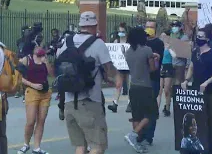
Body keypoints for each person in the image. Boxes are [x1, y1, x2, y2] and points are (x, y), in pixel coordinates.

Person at [56, 11, 114, 154]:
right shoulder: (98, 43)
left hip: (69, 101)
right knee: (97, 147)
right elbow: (110, 70)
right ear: (95, 25)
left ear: (80, 25)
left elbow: (57, 66)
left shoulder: (66, 42)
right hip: (89, 101)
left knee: (80, 146)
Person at [181, 28, 212, 154]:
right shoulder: (195, 52)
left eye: (201, 36)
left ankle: (211, 146)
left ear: (208, 39)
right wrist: (186, 80)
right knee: (196, 118)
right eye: (197, 36)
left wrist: (207, 82)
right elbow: (192, 67)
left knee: (209, 119)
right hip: (195, 90)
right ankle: (195, 144)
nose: (198, 38)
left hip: (208, 91)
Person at [124, 27, 159, 153]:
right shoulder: (147, 50)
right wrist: (156, 59)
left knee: (137, 116)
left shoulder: (127, 52)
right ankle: (133, 134)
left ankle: (137, 142)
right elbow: (152, 69)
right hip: (145, 86)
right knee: (152, 113)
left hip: (133, 87)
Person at [17, 46, 53, 154]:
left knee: (41, 120)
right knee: (31, 121)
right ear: (33, 49)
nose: (39, 49)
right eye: (37, 47)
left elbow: (51, 74)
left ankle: (37, 147)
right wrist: (32, 84)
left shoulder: (44, 59)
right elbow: (18, 76)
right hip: (32, 92)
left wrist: (46, 62)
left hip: (45, 92)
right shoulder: (27, 59)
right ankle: (26, 144)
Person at [143, 19, 164, 145]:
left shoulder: (158, 43)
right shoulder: (141, 42)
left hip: (153, 78)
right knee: (141, 108)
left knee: (150, 107)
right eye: (147, 26)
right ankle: (141, 133)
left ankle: (149, 135)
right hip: (141, 79)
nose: (149, 29)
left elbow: (158, 57)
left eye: (151, 27)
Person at [108, 22, 131, 113]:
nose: (120, 33)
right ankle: (115, 103)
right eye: (119, 31)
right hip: (120, 66)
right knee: (118, 85)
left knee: (129, 86)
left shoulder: (129, 43)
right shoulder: (116, 41)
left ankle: (130, 103)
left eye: (122, 31)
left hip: (128, 66)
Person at [158, 30, 176, 117]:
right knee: (159, 89)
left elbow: (174, 56)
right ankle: (156, 109)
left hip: (168, 67)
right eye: (161, 37)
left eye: (164, 36)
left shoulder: (170, 45)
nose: (163, 38)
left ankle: (167, 106)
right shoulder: (159, 46)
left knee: (167, 89)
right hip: (161, 66)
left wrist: (169, 48)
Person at [170, 20, 189, 86]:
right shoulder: (171, 36)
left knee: (178, 83)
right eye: (173, 26)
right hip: (171, 63)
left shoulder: (184, 37)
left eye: (176, 26)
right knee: (172, 84)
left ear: (180, 27)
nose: (174, 27)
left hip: (180, 65)